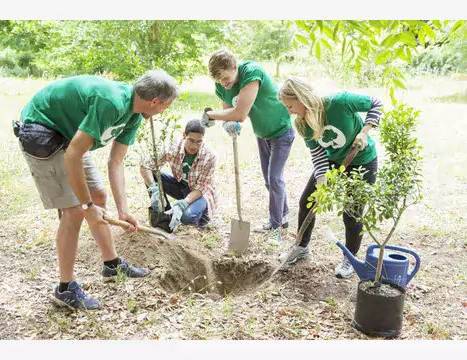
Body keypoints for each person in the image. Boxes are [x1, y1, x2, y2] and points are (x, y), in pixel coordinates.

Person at [16, 70, 180, 309]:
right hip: (42, 129)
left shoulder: (134, 114)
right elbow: (73, 154)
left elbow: (116, 162)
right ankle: (65, 288)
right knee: (74, 211)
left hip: (70, 135)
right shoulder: (111, 102)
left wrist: (123, 211)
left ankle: (111, 265)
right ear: (155, 101)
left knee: (98, 196)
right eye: (165, 106)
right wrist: (86, 207)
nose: (163, 111)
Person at [277, 76, 383, 278]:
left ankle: (350, 258)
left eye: (290, 106)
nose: (289, 112)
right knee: (307, 201)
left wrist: (364, 131)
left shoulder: (339, 103)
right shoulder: (303, 124)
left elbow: (376, 103)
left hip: (362, 161)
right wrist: (321, 181)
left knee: (352, 214)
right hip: (333, 162)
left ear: (302, 98)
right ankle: (301, 247)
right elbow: (318, 154)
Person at [202, 48, 294, 245]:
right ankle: (283, 217)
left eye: (226, 78)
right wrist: (229, 125)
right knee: (269, 181)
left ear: (235, 67)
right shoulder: (222, 86)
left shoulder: (252, 72)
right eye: (218, 80)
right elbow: (229, 113)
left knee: (275, 179)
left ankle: (275, 226)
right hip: (263, 134)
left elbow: (240, 114)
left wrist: (212, 115)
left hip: (282, 130)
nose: (223, 83)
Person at [140, 119, 217, 231]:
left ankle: (200, 217)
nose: (194, 146)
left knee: (186, 217)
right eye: (191, 140)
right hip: (182, 186)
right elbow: (145, 165)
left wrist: (183, 204)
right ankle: (166, 215)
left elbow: (201, 188)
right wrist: (153, 188)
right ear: (183, 135)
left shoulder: (210, 157)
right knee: (153, 175)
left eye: (198, 142)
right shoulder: (172, 147)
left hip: (200, 193)